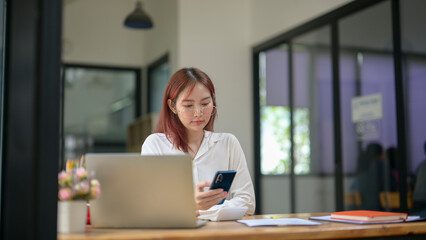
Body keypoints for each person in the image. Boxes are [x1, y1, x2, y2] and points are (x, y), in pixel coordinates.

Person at [141, 67, 255, 218]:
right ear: (172, 106)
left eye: (205, 103)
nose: (198, 113)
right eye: (188, 105)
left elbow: (247, 203)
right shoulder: (155, 144)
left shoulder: (228, 143)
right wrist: (192, 205)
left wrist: (204, 208)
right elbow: (150, 206)